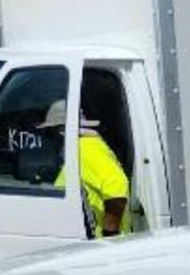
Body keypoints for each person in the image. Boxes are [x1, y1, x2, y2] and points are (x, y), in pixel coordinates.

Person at [45, 97, 134, 237]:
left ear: (61, 130)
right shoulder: (81, 147)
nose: (49, 138)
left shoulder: (84, 147)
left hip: (98, 242)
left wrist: (109, 234)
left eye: (49, 132)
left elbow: (117, 184)